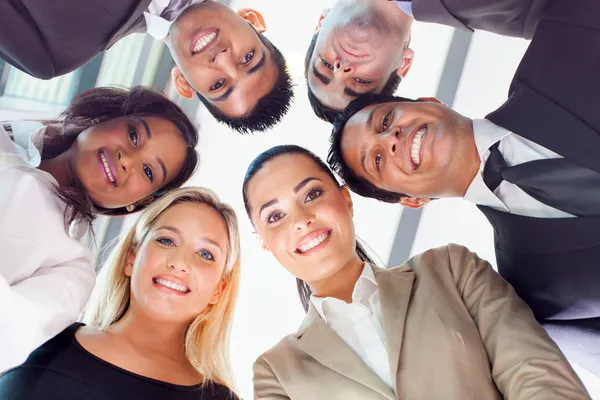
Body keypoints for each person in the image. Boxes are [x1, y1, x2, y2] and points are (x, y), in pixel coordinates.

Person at [241, 144, 590, 399]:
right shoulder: (276, 371)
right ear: (264, 244)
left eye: (312, 194)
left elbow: (536, 375)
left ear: (346, 199)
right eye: (275, 216)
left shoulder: (451, 270)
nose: (301, 220)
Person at [0, 86, 199, 372]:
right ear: (104, 118)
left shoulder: (72, 268)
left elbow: (7, 336)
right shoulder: (8, 136)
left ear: (138, 202)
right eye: (134, 135)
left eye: (148, 172)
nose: (127, 160)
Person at [0, 187, 241, 399]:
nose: (179, 262)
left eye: (206, 254)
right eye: (167, 241)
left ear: (218, 291)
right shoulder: (42, 333)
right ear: (131, 258)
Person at [0, 0, 293, 133]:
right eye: (247, 59)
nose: (222, 60)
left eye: (218, 85)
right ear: (253, 19)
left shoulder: (54, 52)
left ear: (182, 83)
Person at [305, 0, 550, 122]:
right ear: (404, 64)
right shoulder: (525, 12)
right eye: (359, 80)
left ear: (320, 23)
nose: (341, 69)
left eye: (324, 66)